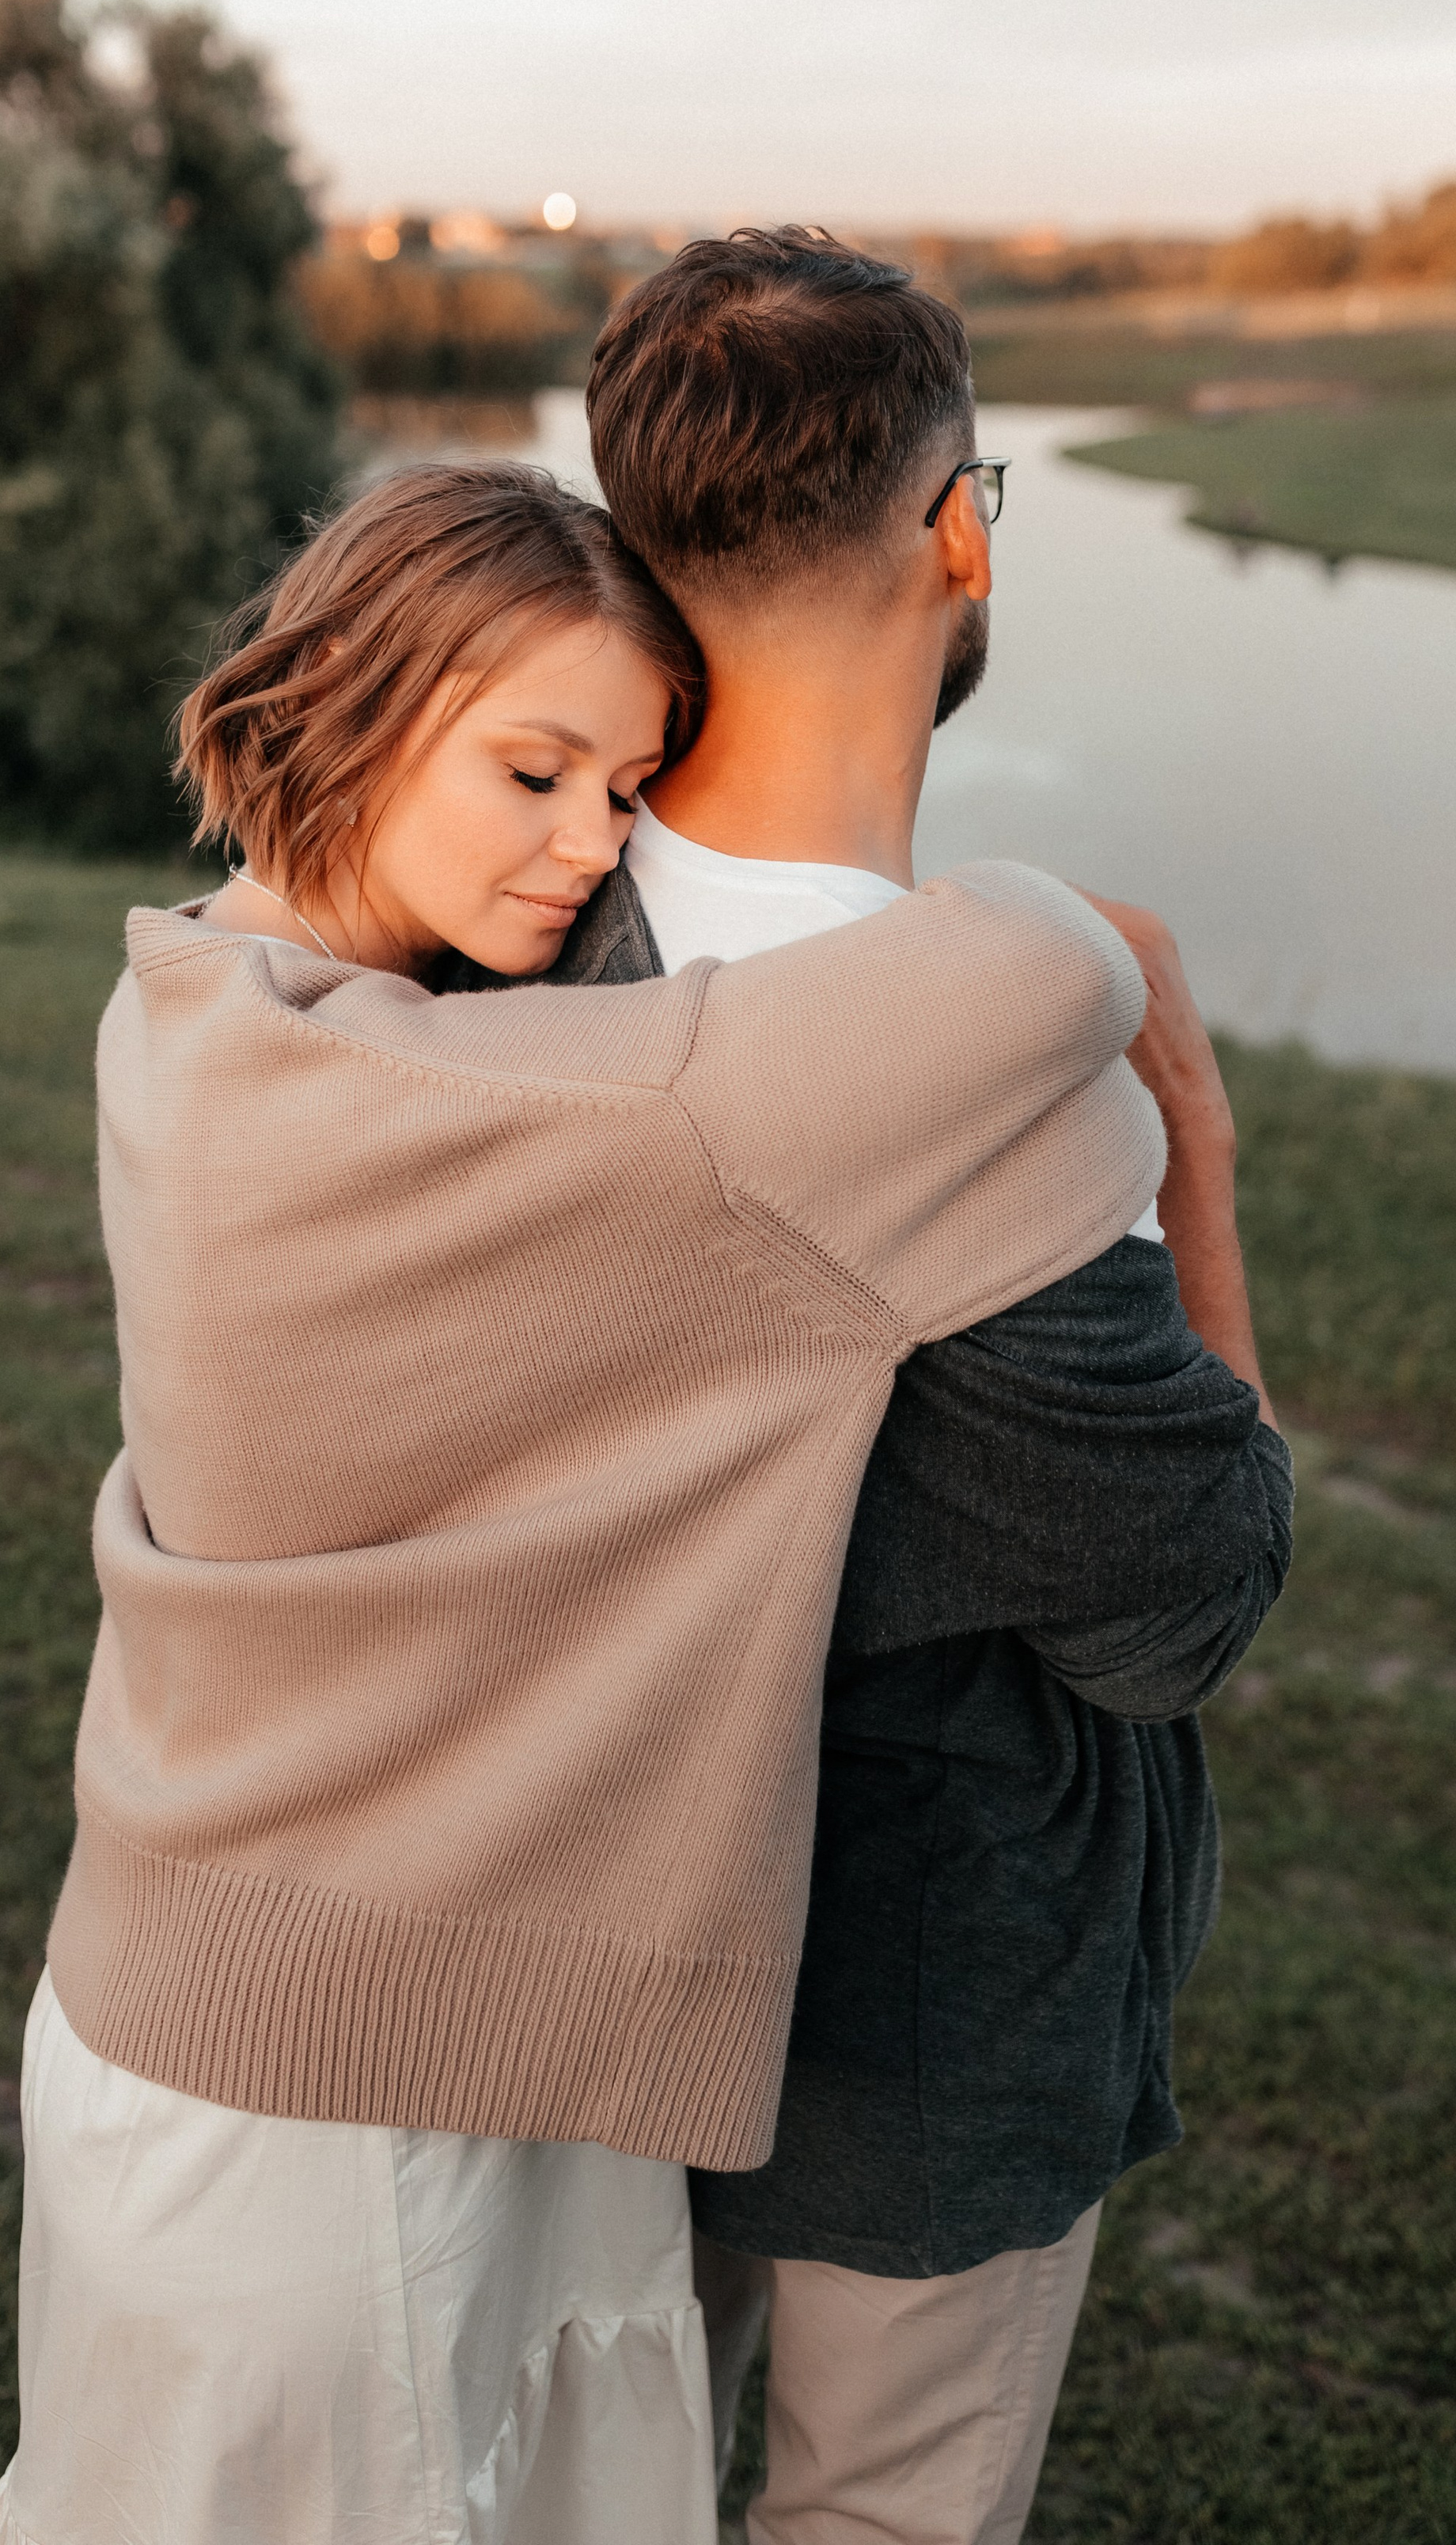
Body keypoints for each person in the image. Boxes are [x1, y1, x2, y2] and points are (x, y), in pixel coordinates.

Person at [0, 458, 1171, 2545]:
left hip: (233, 2023)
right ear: (345, 688)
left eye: (626, 787)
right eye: (532, 768)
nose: (588, 846)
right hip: (332, 2118)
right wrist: (1099, 943)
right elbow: (1028, 983)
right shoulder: (436, 1104)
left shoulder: (188, 1003)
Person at [534, 227, 1294, 2545]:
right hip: (927, 2012)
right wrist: (1190, 1128)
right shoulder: (1017, 1105)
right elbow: (1186, 1601)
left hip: (573, 1966)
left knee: (586, 2482)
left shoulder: (531, 936)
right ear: (961, 531)